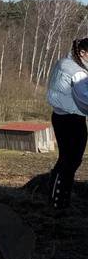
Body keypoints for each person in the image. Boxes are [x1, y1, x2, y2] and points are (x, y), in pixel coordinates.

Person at [46, 38, 88, 210]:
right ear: (83, 53)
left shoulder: (64, 62)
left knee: (67, 160)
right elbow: (84, 99)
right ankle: (58, 202)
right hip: (72, 119)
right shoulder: (77, 72)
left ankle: (57, 199)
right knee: (71, 161)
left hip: (60, 116)